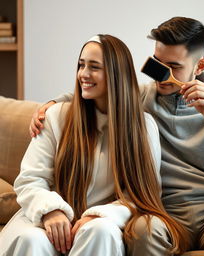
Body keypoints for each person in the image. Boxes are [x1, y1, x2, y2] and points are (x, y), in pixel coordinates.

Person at [28, 17, 204, 256]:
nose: (161, 75)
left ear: (200, 66)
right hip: (165, 216)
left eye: (174, 66)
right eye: (157, 63)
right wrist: (53, 103)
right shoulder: (140, 99)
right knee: (141, 228)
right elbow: (102, 89)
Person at [0, 34, 189, 256]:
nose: (84, 74)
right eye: (81, 65)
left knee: (99, 231)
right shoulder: (55, 116)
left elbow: (143, 194)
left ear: (115, 74)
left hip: (104, 221)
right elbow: (30, 179)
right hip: (46, 217)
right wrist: (50, 211)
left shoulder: (144, 127)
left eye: (94, 67)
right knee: (31, 239)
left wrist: (100, 214)